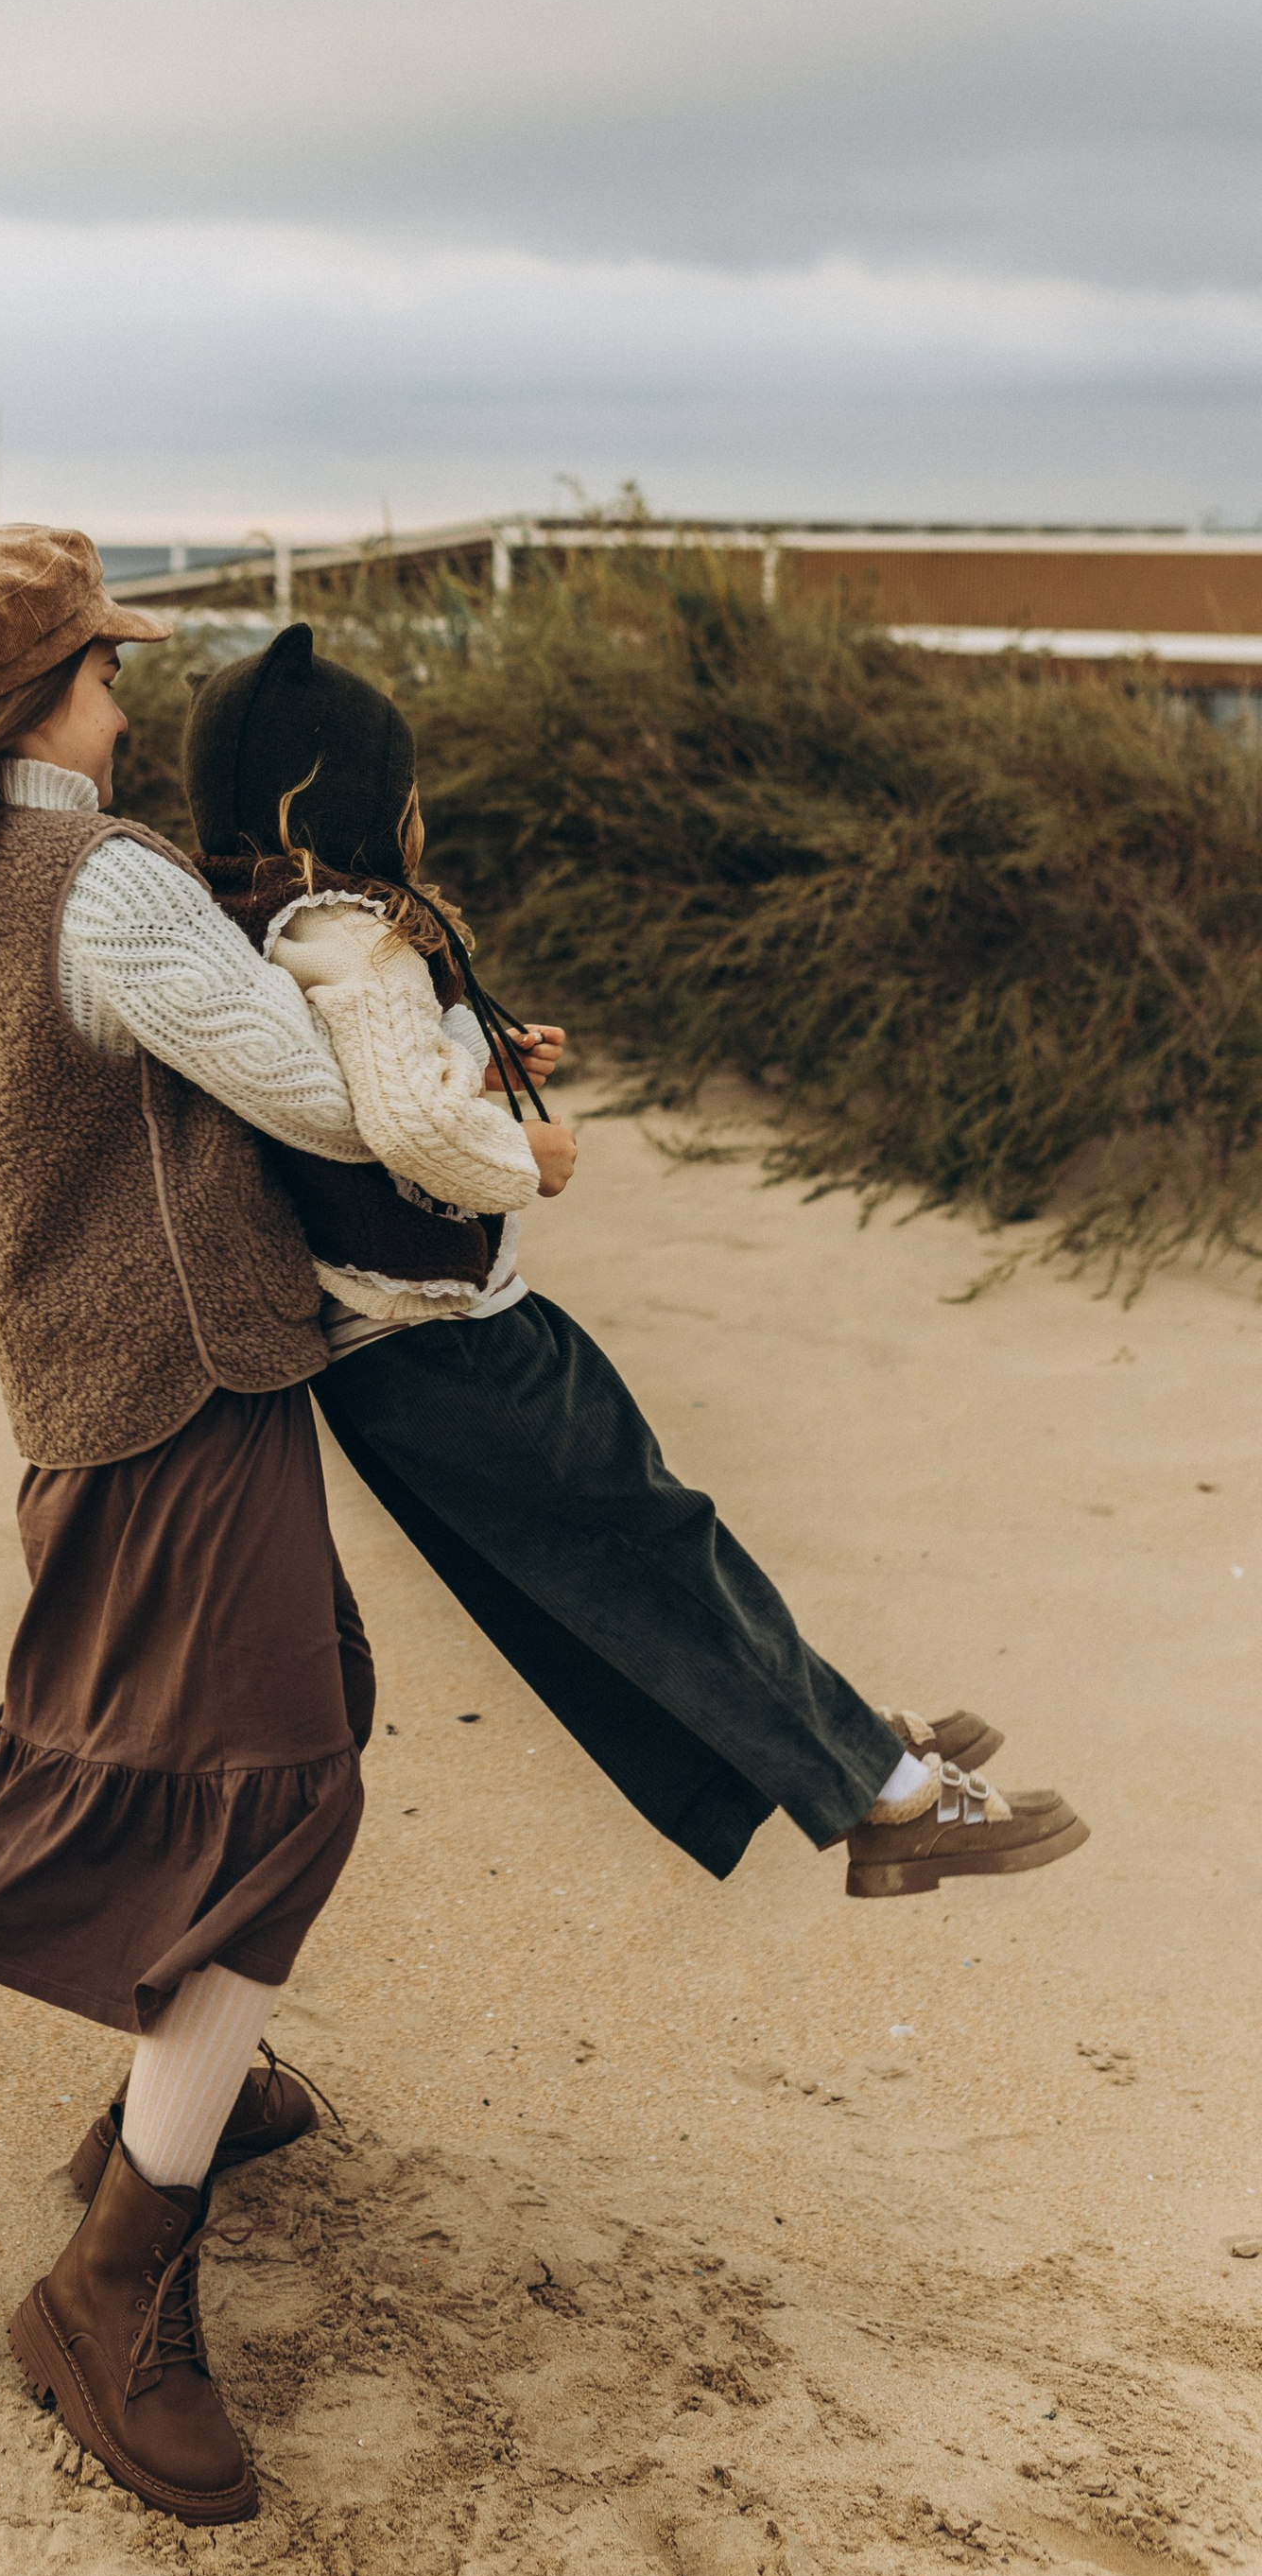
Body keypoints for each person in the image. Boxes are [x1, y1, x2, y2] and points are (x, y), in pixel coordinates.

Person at [0, 527, 391, 2526]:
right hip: (177, 1395)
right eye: (106, 673)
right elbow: (318, 1099)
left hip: (98, 1391)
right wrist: (448, 1055)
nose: (127, 701)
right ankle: (110, 2291)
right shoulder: (101, 881)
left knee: (268, 1733)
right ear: (41, 699)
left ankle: (187, 2082)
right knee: (279, 1788)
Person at [182, 621, 1089, 1903]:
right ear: (348, 796)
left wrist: (476, 1068)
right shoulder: (341, 929)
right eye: (406, 783)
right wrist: (522, 1156)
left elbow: (364, 1094)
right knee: (652, 1551)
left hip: (430, 1340)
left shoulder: (262, 922)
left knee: (647, 1544)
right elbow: (404, 1129)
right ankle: (884, 1799)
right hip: (441, 1341)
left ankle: (849, 1750)